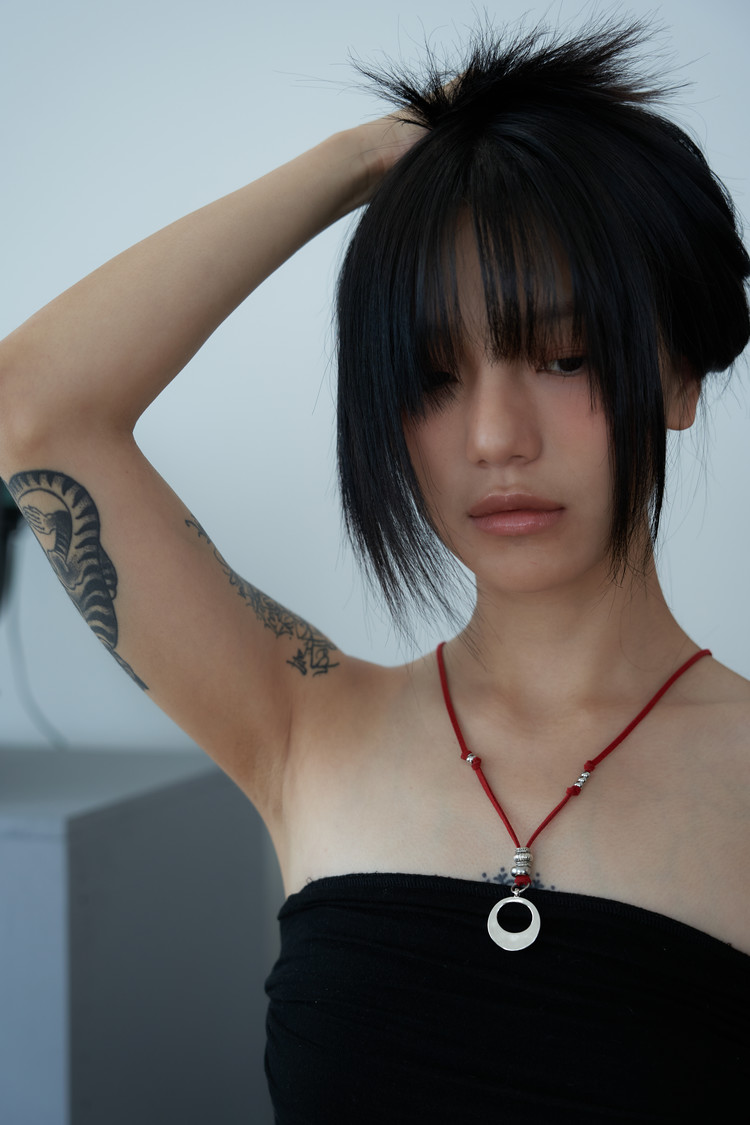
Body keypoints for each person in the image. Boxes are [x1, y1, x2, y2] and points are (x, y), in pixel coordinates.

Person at [0, 17, 748, 1123]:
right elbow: (34, 408)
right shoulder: (305, 724)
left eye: (565, 355)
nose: (495, 438)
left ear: (677, 378)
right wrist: (369, 158)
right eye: (434, 375)